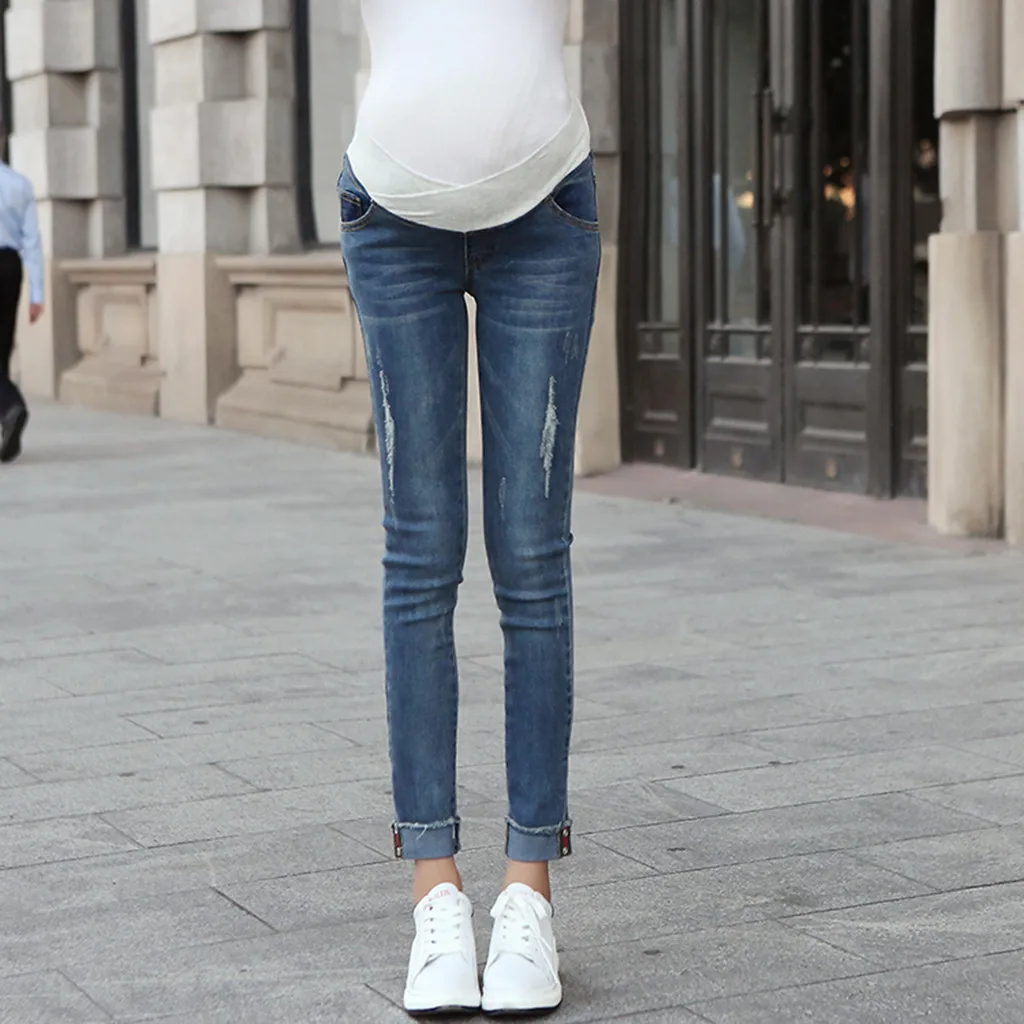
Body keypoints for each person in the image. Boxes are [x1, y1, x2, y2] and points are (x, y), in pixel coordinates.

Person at [339, 0, 600, 1015]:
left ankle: (529, 891)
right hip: (391, 213)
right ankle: (434, 891)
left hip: (545, 208)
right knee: (421, 553)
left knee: (532, 554)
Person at [0, 122, 43, 464]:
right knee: (1, 346)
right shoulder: (20, 184)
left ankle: (11, 406)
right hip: (10, 266)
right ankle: (7, 424)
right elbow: (33, 242)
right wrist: (37, 293)